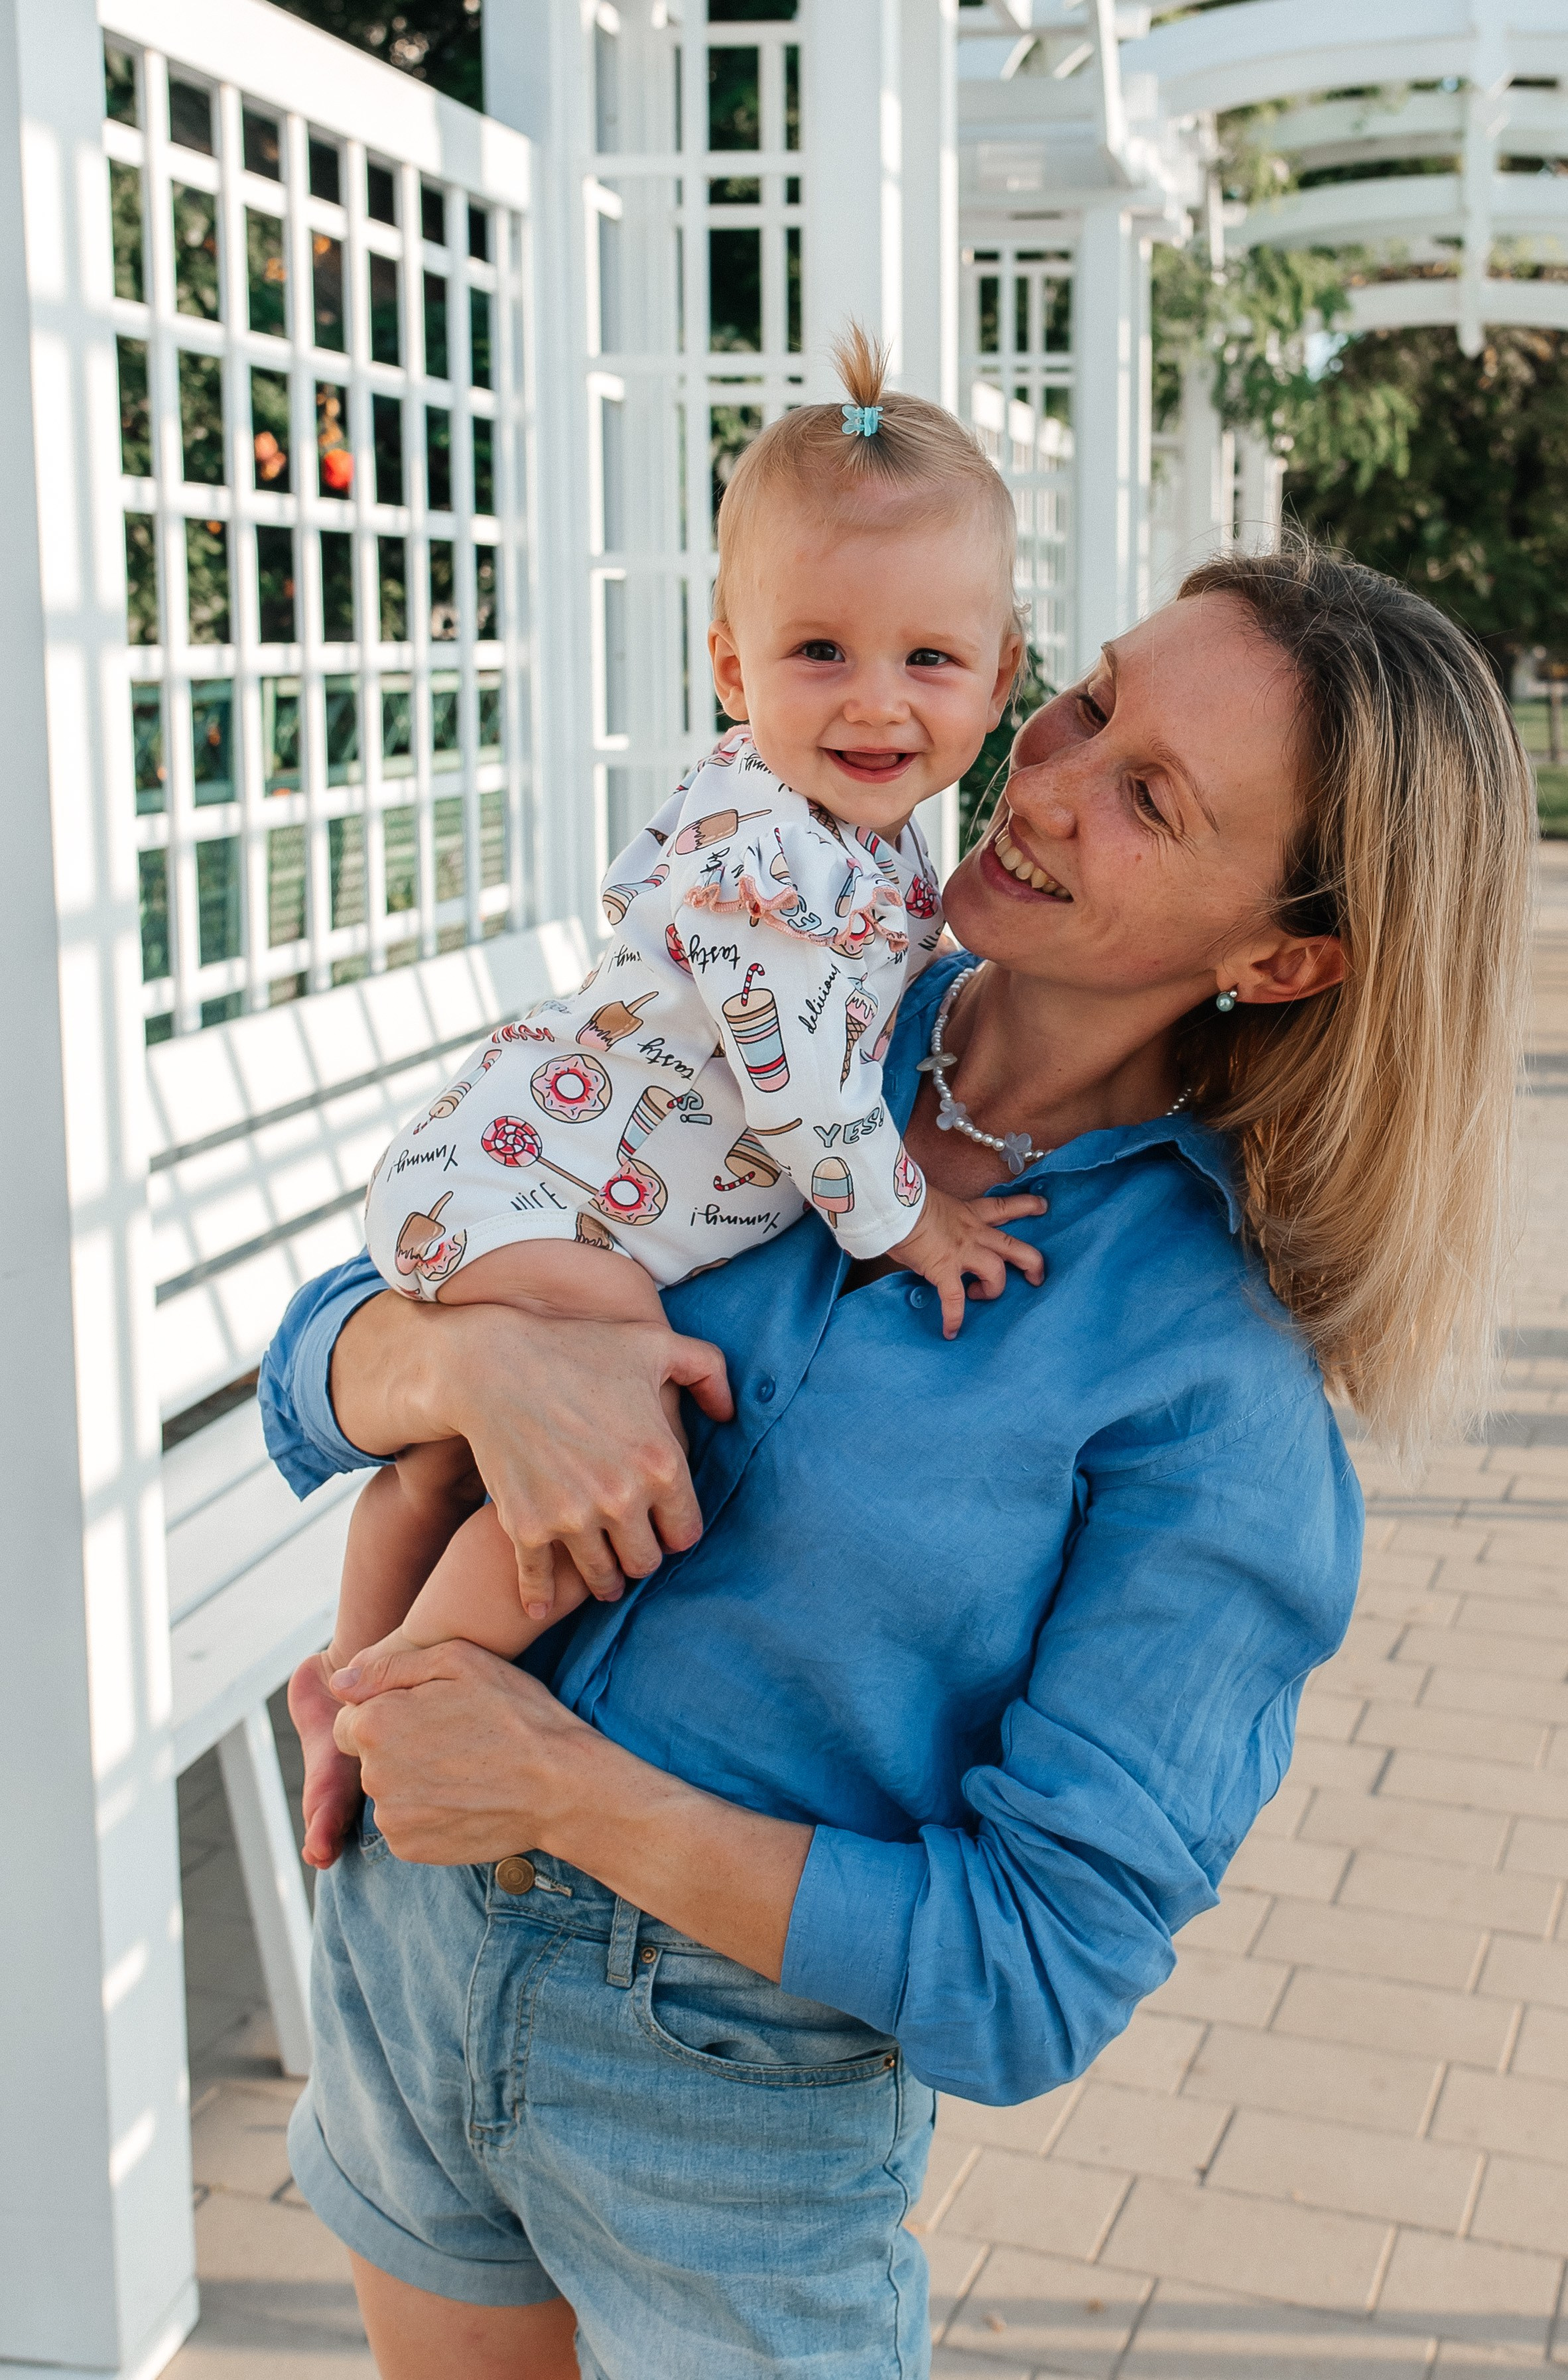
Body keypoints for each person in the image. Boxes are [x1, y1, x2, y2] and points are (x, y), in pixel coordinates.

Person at [260, 542, 1532, 2380]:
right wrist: (458, 1360)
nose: (1042, 776)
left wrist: (554, 1780)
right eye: (1088, 698)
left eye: (1148, 796)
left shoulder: (1212, 1396)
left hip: (721, 2110)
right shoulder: (781, 999)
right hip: (401, 1962)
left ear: (1278, 952)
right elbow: (320, 1361)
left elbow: (1029, 1974)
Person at [291, 329, 1040, 1867]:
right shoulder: (771, 850)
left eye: (929, 660)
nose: (875, 703)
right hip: (532, 1192)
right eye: (817, 653)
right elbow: (798, 1088)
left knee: (444, 1461)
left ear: (1000, 675)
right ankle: (417, 1696)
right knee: (620, 1428)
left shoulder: (863, 837)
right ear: (729, 665)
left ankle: (336, 1683)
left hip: (534, 1173)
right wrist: (910, 1223)